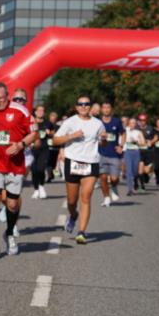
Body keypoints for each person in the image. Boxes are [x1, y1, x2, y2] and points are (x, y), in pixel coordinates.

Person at [0, 82, 37, 257]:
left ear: (7, 96)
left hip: (14, 163)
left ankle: (10, 233)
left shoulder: (21, 111)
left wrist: (20, 145)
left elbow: (34, 133)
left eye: (1, 98)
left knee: (12, 204)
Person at [53, 95, 105, 244]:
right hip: (73, 161)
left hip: (91, 162)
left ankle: (82, 232)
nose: (83, 106)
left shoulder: (98, 123)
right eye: (80, 104)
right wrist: (72, 136)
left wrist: (104, 140)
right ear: (76, 107)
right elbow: (55, 140)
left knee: (86, 197)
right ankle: (73, 215)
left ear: (90, 107)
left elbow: (103, 143)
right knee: (71, 201)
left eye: (86, 104)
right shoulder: (70, 122)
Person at [97, 101, 124, 207]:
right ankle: (106, 198)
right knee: (103, 178)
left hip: (114, 154)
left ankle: (114, 187)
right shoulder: (97, 122)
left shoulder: (116, 121)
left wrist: (121, 145)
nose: (106, 109)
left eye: (108, 107)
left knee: (114, 178)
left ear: (111, 109)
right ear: (101, 109)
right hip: (101, 154)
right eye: (104, 107)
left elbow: (123, 133)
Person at [30, 104, 53, 199]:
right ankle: (36, 189)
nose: (41, 112)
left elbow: (53, 133)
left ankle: (41, 186)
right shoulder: (31, 122)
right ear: (35, 112)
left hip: (44, 148)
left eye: (42, 110)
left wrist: (50, 133)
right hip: (32, 149)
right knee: (34, 170)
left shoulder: (48, 123)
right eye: (39, 110)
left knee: (41, 168)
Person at [123, 118, 146, 195]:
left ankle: (135, 180)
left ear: (136, 124)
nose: (132, 124)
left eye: (134, 123)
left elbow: (143, 143)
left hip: (136, 152)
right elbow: (121, 138)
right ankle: (130, 189)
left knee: (135, 172)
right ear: (128, 123)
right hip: (127, 152)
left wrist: (136, 142)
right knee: (129, 171)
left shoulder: (138, 132)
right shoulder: (125, 130)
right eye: (131, 123)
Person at [47, 110, 61, 181]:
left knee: (55, 162)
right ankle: (50, 176)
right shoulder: (46, 126)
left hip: (56, 147)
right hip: (48, 147)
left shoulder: (58, 127)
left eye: (54, 119)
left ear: (56, 119)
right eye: (51, 119)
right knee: (48, 162)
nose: (52, 120)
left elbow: (60, 136)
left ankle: (55, 175)